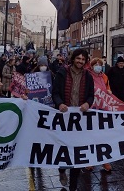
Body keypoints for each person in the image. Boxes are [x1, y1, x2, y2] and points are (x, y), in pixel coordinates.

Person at [52, 48, 94, 191]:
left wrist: (88, 103)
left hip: (80, 119)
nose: (80, 61)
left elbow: (90, 96)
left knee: (76, 153)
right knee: (64, 148)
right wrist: (59, 104)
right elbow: (55, 93)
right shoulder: (62, 73)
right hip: (64, 117)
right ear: (73, 59)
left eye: (83, 59)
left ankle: (73, 187)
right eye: (78, 58)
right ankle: (62, 169)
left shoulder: (88, 76)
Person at [86, 57, 112, 172]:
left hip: (103, 110)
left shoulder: (105, 77)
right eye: (95, 64)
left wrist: (109, 91)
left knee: (103, 136)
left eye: (99, 64)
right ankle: (90, 161)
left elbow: (107, 88)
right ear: (91, 66)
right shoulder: (87, 76)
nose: (98, 66)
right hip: (91, 109)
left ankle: (104, 160)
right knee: (91, 136)